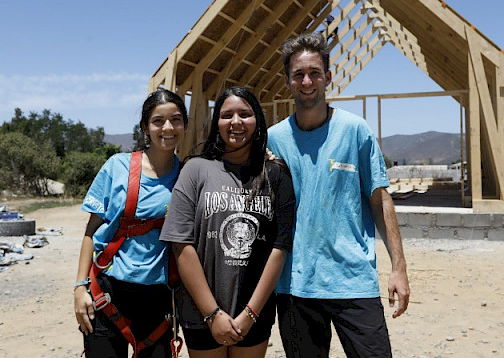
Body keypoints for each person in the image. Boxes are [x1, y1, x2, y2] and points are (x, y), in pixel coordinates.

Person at [267, 32, 410, 358]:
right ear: (287, 80)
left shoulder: (354, 130)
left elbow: (379, 200)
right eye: (298, 74)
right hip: (295, 286)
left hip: (353, 281)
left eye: (315, 73)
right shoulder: (274, 140)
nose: (307, 81)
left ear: (328, 77)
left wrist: (398, 268)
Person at [160, 86, 295, 358]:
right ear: (216, 123)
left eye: (245, 114)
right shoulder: (195, 169)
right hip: (201, 313)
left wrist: (251, 313)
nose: (235, 122)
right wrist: (212, 314)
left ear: (257, 120)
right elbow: (181, 244)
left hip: (254, 313)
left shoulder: (275, 174)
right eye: (227, 115)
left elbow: (279, 248)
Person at [74, 88, 188, 358]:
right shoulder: (116, 167)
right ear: (145, 127)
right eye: (158, 120)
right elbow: (91, 232)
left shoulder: (188, 176)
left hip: (159, 299)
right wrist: (79, 288)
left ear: (185, 125)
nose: (168, 127)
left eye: (176, 119)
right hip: (108, 292)